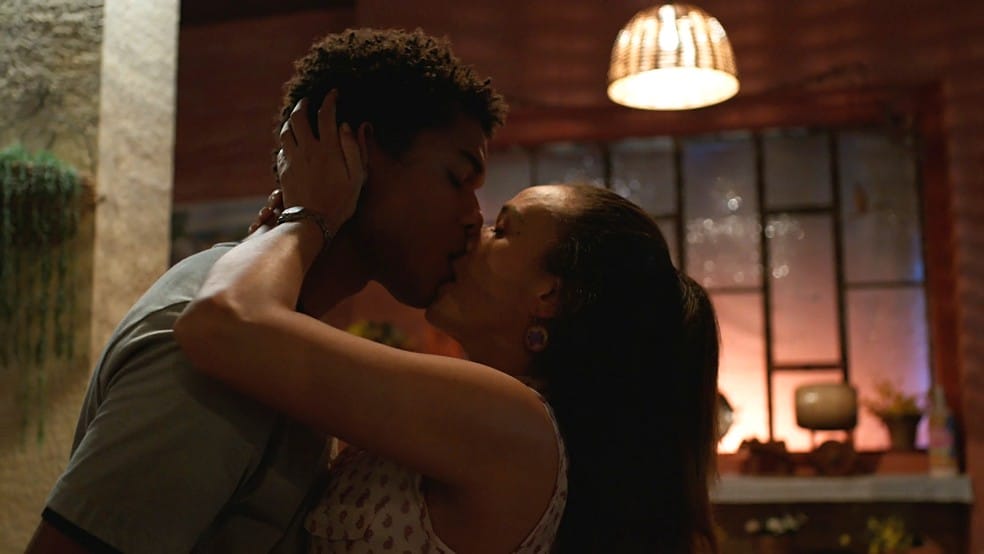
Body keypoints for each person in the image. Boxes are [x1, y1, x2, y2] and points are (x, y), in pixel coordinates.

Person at [173, 91, 722, 552]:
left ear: (548, 295)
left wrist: (306, 215)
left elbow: (223, 325)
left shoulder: (511, 420)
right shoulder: (501, 418)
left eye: (503, 230)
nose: (473, 226)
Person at [27, 28, 506, 553]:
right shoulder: (212, 339)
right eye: (457, 178)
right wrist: (307, 218)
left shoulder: (278, 338)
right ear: (359, 152)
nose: (474, 216)